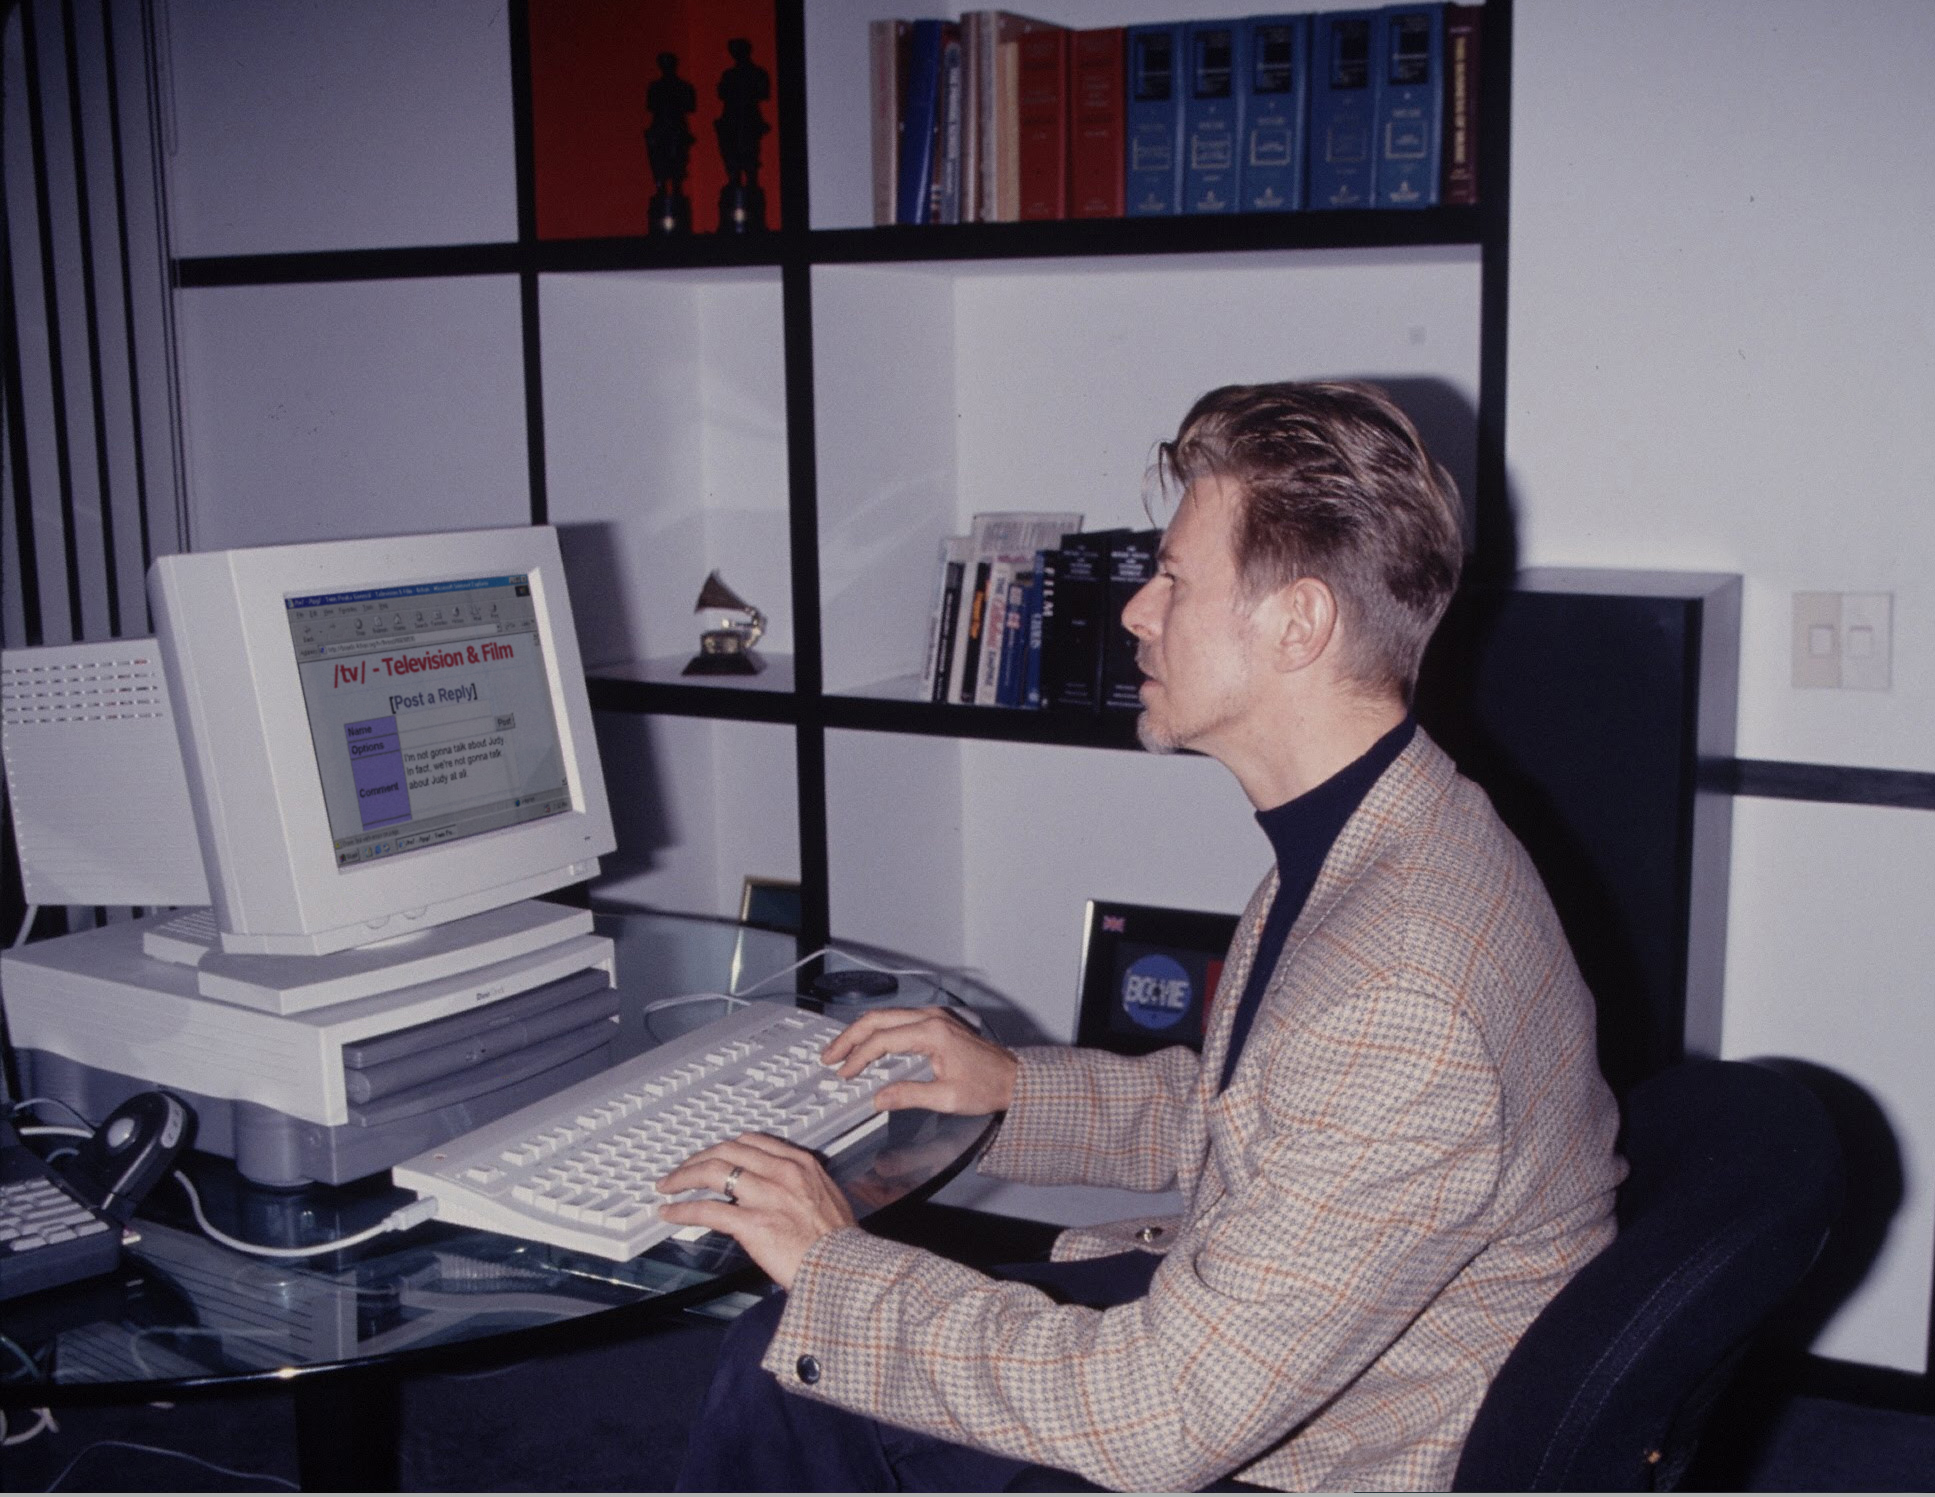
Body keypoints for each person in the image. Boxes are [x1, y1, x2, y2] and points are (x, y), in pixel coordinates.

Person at [661, 381, 1624, 1491]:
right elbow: (1259, 1116)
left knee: (794, 1351)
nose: (1134, 612)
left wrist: (832, 1266)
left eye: (1173, 578)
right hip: (1284, 1363)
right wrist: (1007, 1089)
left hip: (1306, 1453)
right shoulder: (1393, 829)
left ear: (1299, 624)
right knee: (791, 1357)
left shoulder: (1401, 991)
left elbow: (1159, 1418)